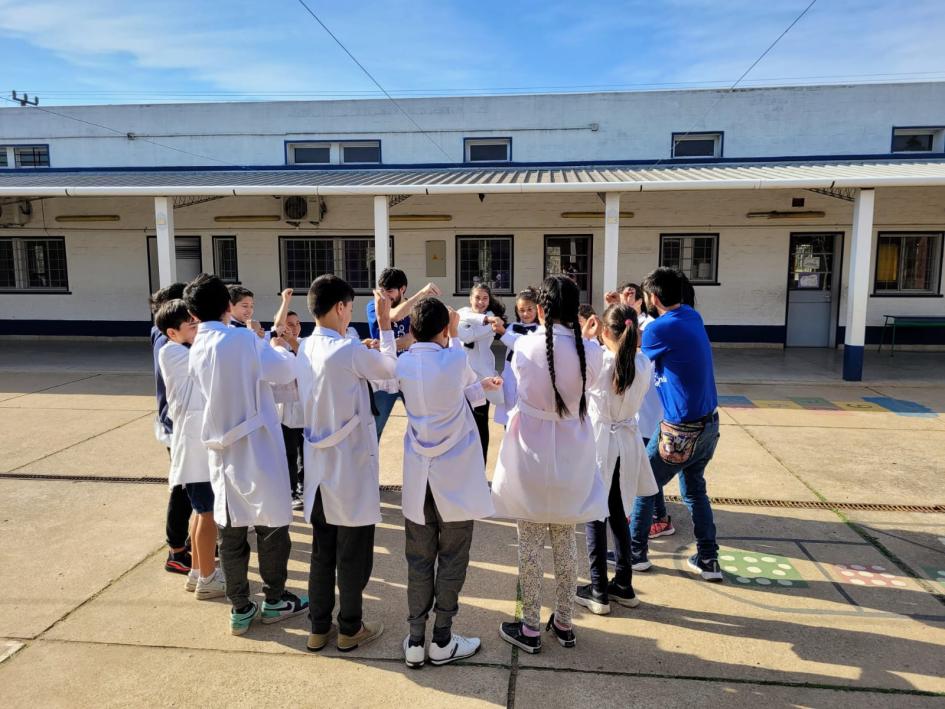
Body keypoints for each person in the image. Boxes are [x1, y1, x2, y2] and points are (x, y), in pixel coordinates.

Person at [184, 273, 309, 635]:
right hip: (256, 443)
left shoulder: (198, 346)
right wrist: (279, 344)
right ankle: (274, 599)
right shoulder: (240, 339)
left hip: (221, 449)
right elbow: (283, 370)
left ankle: (239, 606)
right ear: (227, 306)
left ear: (192, 312)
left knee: (233, 529)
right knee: (272, 525)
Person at [492, 276, 606, 653]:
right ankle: (565, 621)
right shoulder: (590, 351)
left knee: (529, 544)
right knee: (565, 541)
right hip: (572, 458)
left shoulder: (525, 345)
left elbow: (520, 385)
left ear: (540, 309)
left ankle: (528, 627)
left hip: (531, 454)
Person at [395, 298, 501, 668]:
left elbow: (465, 391)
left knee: (418, 559)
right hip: (453, 475)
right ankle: (442, 639)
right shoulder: (456, 357)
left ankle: (414, 638)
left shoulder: (404, 363)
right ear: (444, 329)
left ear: (412, 329)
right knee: (453, 556)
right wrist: (455, 334)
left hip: (417, 474)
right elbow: (469, 391)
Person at [296, 276, 398, 653]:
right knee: (352, 552)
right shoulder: (345, 350)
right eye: (349, 308)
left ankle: (318, 627)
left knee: (322, 552)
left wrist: (360, 348)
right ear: (340, 307)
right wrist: (385, 325)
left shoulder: (306, 347)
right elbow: (389, 368)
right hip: (349, 466)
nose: (349, 314)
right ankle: (350, 627)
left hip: (319, 467)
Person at [629, 267, 722, 582]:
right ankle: (708, 559)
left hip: (681, 429)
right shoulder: (691, 317)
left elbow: (631, 356)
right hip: (709, 425)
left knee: (645, 484)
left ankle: (634, 553)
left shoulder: (660, 329)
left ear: (653, 298)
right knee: (695, 490)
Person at [575, 305, 657, 615]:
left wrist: (585, 338)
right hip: (627, 442)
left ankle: (597, 588)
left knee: (596, 514)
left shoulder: (599, 361)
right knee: (619, 512)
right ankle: (624, 581)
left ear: (604, 331)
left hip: (601, 443)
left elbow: (576, 382)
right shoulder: (643, 363)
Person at [156, 299, 224, 600]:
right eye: (192, 325)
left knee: (200, 513)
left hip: (198, 446)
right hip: (194, 447)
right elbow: (211, 362)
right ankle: (208, 578)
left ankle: (198, 570)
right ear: (172, 333)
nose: (198, 329)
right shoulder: (172, 352)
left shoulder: (184, 350)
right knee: (206, 514)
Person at [148, 282, 193, 576]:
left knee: (189, 488)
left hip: (173, 422)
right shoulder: (170, 345)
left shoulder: (163, 335)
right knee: (183, 488)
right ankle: (176, 550)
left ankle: (190, 541)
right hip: (176, 426)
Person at [366, 268, 442, 438]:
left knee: (421, 425)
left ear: (403, 289)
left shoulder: (416, 311)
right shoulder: (374, 306)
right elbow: (393, 316)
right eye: (382, 291)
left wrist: (387, 345)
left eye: (390, 291)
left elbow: (414, 338)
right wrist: (422, 293)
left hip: (409, 372)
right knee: (374, 428)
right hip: (384, 374)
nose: (385, 296)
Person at [457, 283, 505, 461]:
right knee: (461, 426)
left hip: (482, 381)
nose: (481, 302)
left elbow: (466, 335)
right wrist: (476, 321)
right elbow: (460, 327)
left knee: (480, 424)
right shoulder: (463, 312)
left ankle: (480, 468)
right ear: (470, 298)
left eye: (485, 298)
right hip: (463, 380)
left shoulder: (492, 318)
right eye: (477, 297)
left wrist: (484, 321)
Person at [271, 289, 305, 510]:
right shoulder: (275, 346)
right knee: (289, 453)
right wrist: (285, 302)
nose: (293, 327)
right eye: (288, 323)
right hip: (285, 412)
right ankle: (291, 490)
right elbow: (277, 328)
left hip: (306, 409)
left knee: (306, 453)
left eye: (297, 323)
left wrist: (292, 339)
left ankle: (304, 486)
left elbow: (305, 357)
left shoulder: (304, 343)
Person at [491, 287, 539, 427]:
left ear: (537, 309)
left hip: (530, 375)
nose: (525, 313)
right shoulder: (512, 326)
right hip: (510, 373)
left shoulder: (541, 330)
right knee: (510, 415)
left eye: (530, 309)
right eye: (521, 310)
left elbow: (522, 344)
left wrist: (504, 333)